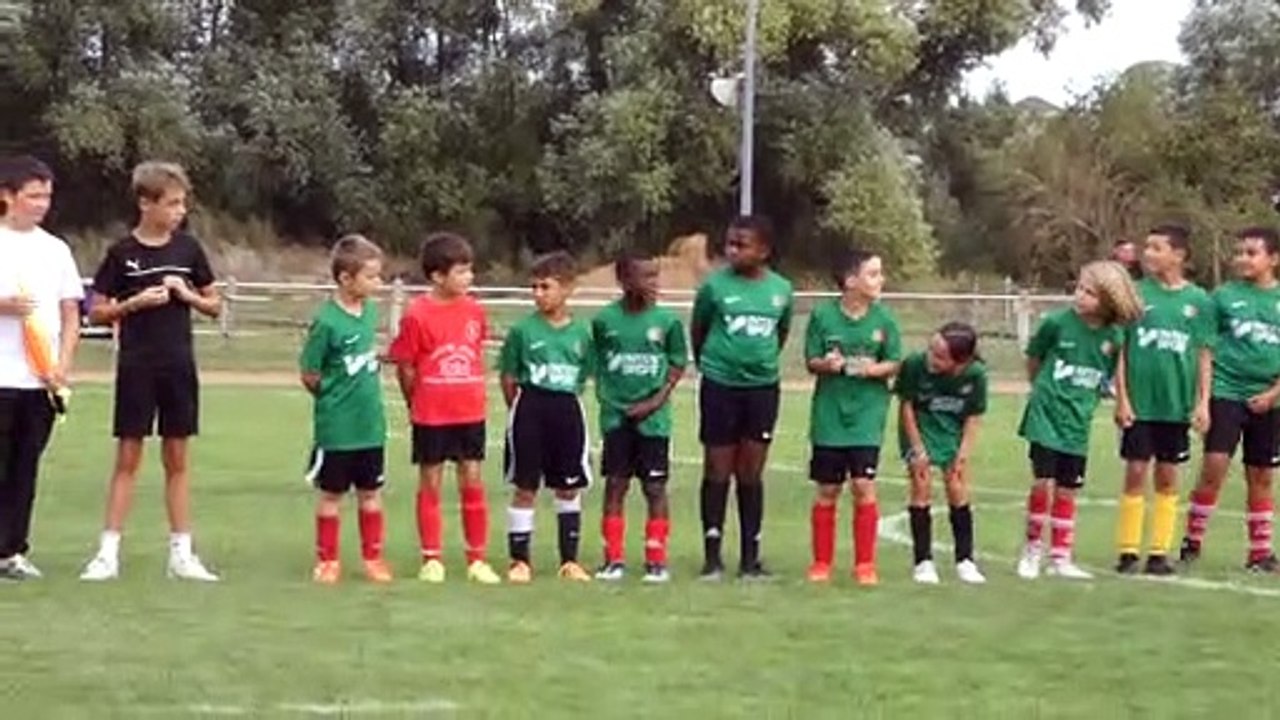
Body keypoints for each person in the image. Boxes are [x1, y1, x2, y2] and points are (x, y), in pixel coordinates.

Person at [80, 161, 222, 582]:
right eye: (172, 203)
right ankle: (108, 553)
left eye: (183, 203)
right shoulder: (122, 253)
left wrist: (189, 296)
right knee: (128, 458)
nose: (180, 211)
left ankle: (182, 553)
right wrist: (132, 305)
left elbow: (215, 305)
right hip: (136, 366)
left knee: (177, 460)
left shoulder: (189, 250)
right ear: (146, 203)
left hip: (179, 365)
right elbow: (96, 309)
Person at [1017, 260, 1143, 580]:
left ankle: (1061, 556)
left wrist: (1118, 401)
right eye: (1080, 289)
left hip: (1078, 419)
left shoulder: (1114, 336)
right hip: (1046, 414)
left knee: (1067, 489)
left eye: (1090, 292)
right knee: (1043, 482)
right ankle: (1032, 550)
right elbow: (1034, 359)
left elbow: (1114, 369)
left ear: (1109, 299)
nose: (1080, 296)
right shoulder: (1057, 323)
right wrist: (1042, 390)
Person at [388, 233, 500, 585]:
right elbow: (405, 365)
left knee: (472, 479)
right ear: (437, 277)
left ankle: (477, 558)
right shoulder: (417, 315)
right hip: (432, 413)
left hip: (469, 411)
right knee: (431, 482)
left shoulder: (474, 310)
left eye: (471, 271)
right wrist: (415, 403)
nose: (469, 279)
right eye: (461, 272)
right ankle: (432, 558)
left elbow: (476, 350)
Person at [691, 215, 794, 581]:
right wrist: (716, 366)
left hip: (762, 389)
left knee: (750, 472)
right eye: (729, 243)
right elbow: (699, 331)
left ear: (763, 250)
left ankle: (751, 558)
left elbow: (780, 334)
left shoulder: (782, 289)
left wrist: (757, 364)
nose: (732, 250)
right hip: (720, 386)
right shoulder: (714, 288)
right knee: (717, 469)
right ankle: (712, 556)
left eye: (741, 244)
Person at [1112, 225, 1212, 576]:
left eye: (1157, 248)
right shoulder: (1135, 295)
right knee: (1136, 470)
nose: (1148, 254)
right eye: (1147, 246)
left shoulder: (1198, 301)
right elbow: (1121, 350)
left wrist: (1203, 403)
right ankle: (1127, 550)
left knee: (1168, 476)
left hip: (1175, 406)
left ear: (1179, 255)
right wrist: (1121, 397)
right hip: (1140, 404)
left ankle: (1159, 552)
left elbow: (1202, 355)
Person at [0, 155, 83, 580]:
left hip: (38, 378)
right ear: (7, 196)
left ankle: (12, 549)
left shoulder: (55, 249)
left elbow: (71, 311)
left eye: (46, 196)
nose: (41, 204)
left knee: (24, 468)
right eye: (32, 196)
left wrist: (63, 364)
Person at [1179, 227, 1280, 572]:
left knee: (1262, 475)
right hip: (1226, 391)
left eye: (1251, 253)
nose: (1242, 259)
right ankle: (1192, 541)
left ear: (1274, 259)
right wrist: (1203, 401)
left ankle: (1260, 553)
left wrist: (1273, 393)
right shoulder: (1221, 297)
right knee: (1214, 466)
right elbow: (1205, 350)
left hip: (1269, 398)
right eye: (1238, 252)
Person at [804, 249, 900, 586]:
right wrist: (826, 364)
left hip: (867, 418)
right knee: (828, 489)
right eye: (873, 274)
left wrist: (874, 369)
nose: (880, 280)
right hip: (830, 417)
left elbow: (894, 362)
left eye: (880, 273)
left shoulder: (884, 321)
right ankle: (821, 563)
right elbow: (811, 360)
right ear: (850, 281)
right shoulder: (822, 317)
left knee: (863, 485)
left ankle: (865, 564)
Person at [300, 235, 393, 584]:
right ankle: (328, 560)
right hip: (338, 427)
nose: (377, 283)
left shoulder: (369, 312)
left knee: (371, 493)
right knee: (332, 495)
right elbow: (310, 373)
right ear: (345, 279)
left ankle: (373, 557)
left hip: (370, 424)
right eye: (370, 276)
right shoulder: (326, 322)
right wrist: (333, 397)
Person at [592, 251, 687, 584]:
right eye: (644, 276)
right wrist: (609, 400)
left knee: (655, 487)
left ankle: (656, 558)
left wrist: (654, 401)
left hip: (654, 419)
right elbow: (597, 364)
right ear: (623, 279)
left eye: (654, 276)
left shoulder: (667, 322)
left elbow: (677, 365)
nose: (652, 283)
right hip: (617, 417)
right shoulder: (604, 321)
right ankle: (613, 559)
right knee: (616, 484)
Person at [500, 251, 594, 583]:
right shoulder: (523, 331)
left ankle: (569, 561)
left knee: (568, 488)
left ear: (568, 288)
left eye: (546, 287)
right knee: (525, 486)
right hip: (530, 409)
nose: (539, 294)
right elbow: (509, 376)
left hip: (566, 409)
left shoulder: (582, 333)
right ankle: (519, 561)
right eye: (534, 287)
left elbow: (584, 374)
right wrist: (520, 408)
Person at [897, 322, 988, 585]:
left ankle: (965, 560)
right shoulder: (914, 365)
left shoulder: (976, 375)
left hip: (953, 430)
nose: (931, 359)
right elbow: (907, 407)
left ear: (961, 361)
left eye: (940, 356)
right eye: (931, 350)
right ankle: (923, 561)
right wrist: (917, 447)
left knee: (957, 485)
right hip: (920, 427)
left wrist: (963, 454)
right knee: (921, 484)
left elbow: (973, 416)